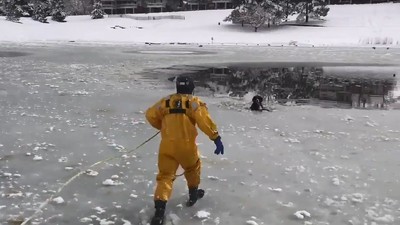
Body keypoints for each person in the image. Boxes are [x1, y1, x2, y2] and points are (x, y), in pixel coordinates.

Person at [145, 76, 224, 225]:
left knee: (165, 176)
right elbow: (204, 121)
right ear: (191, 88)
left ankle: (159, 212)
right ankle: (193, 195)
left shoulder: (165, 101)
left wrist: (162, 126)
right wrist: (216, 138)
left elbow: (150, 114)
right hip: (186, 146)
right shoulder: (194, 103)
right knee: (193, 168)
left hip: (167, 145)